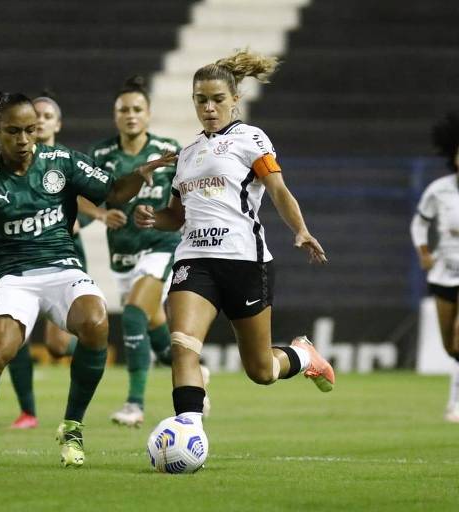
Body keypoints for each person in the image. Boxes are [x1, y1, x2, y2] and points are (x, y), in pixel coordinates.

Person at [0, 62, 174, 468]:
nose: (25, 139)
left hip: (62, 267)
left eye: (30, 130)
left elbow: (113, 193)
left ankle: (72, 427)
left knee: (96, 322)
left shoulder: (61, 161)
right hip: (13, 279)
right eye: (14, 131)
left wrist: (140, 175)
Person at [133, 49, 335, 425]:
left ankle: (304, 355)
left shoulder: (250, 139)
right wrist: (150, 217)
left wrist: (301, 229)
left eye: (217, 99)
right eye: (201, 100)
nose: (209, 108)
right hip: (194, 260)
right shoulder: (187, 153)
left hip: (244, 260)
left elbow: (277, 189)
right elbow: (175, 216)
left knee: (261, 371)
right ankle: (188, 432)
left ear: (235, 100)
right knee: (183, 346)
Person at [86, 76, 209, 427]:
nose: (130, 115)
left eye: (137, 109)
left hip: (161, 245)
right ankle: (196, 374)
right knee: (156, 330)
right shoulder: (100, 155)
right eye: (123, 109)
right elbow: (81, 197)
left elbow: (186, 193)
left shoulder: (167, 150)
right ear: (115, 116)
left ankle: (134, 404)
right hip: (123, 253)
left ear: (148, 114)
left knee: (135, 313)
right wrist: (96, 214)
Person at [6, 93, 85, 429]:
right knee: (14, 336)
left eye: (47, 115)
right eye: (35, 114)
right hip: (22, 256)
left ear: (57, 124)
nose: (40, 119)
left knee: (56, 346)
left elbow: (94, 199)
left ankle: (91, 355)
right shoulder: (14, 161)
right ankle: (28, 412)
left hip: (63, 257)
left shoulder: (66, 161)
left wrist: (83, 216)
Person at [410, 113, 459, 423]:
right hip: (444, 273)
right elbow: (419, 223)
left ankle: (454, 404)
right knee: (449, 346)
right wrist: (424, 252)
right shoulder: (439, 190)